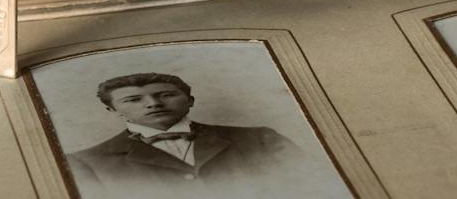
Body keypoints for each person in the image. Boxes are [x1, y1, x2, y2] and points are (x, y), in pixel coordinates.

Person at [67, 71, 322, 195]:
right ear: (112, 110)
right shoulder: (87, 162)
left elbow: (316, 189)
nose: (153, 104)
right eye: (133, 100)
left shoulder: (259, 138)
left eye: (166, 95)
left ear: (190, 100)